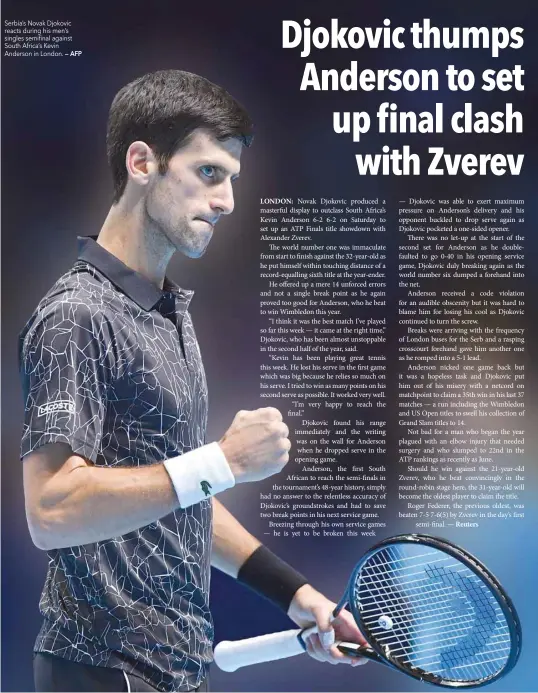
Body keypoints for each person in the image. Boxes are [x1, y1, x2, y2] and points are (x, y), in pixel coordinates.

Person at [19, 70, 367, 693]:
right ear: (142, 162)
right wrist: (224, 460)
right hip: (100, 674)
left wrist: (297, 595)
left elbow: (176, 496)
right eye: (209, 173)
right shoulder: (76, 315)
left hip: (169, 675)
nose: (228, 200)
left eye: (232, 178)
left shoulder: (167, 312)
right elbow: (51, 510)